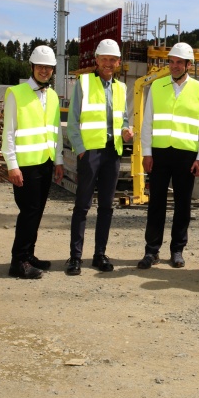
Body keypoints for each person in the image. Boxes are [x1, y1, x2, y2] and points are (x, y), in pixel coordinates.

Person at [137, 42, 199, 269]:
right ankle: (152, 251)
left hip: (186, 156)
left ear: (189, 64)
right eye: (172, 61)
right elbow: (147, 122)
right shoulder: (156, 86)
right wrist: (147, 152)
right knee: (156, 203)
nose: (175, 66)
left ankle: (177, 250)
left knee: (183, 204)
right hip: (159, 155)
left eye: (180, 62)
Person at [65, 39, 133, 275]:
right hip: (90, 153)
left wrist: (126, 130)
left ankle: (99, 255)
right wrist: (81, 149)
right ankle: (75, 257)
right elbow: (73, 121)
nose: (108, 63)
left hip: (112, 153)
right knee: (82, 205)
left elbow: (123, 119)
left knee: (106, 206)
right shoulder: (83, 83)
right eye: (104, 59)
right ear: (96, 60)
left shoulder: (121, 88)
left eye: (112, 60)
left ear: (118, 63)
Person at [2, 45, 64, 279]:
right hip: (25, 165)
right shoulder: (16, 93)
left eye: (48, 67)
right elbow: (9, 132)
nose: (44, 71)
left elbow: (55, 130)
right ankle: (18, 261)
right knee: (28, 212)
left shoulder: (52, 96)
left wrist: (58, 161)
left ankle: (28, 255)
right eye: (40, 66)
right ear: (32, 67)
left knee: (36, 212)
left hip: (45, 162)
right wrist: (12, 165)